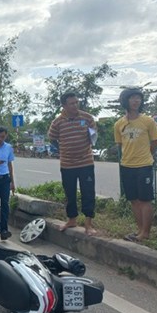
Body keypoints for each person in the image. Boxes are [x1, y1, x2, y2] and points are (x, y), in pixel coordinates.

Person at [48, 91, 98, 236]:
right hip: (67, 164)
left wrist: (87, 144)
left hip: (86, 162)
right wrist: (62, 149)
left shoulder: (87, 118)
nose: (75, 105)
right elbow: (52, 138)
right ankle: (72, 220)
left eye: (77, 102)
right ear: (64, 105)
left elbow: (94, 135)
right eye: (72, 103)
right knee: (70, 193)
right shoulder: (57, 122)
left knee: (88, 192)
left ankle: (88, 224)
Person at [114, 88, 157, 242]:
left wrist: (147, 155)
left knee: (145, 199)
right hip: (127, 165)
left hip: (144, 165)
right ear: (125, 101)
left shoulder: (148, 121)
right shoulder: (119, 124)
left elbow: (155, 143)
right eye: (132, 98)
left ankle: (145, 233)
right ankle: (139, 230)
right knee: (134, 199)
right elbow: (120, 145)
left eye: (138, 98)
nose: (136, 101)